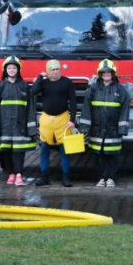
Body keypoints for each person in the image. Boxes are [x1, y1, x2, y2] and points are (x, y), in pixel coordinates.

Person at [79, 59, 130, 188]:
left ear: (113, 73)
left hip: (113, 129)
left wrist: (122, 128)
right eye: (104, 72)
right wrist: (84, 127)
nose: (106, 74)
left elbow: (125, 109)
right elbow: (86, 108)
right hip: (96, 129)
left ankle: (111, 178)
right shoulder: (93, 89)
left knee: (113, 155)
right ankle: (101, 178)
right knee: (99, 156)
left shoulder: (120, 89)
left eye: (109, 72)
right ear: (100, 74)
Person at [32, 59, 77, 187]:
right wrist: (40, 77)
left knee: (65, 149)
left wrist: (72, 120)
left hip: (63, 119)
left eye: (57, 69)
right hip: (46, 119)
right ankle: (44, 176)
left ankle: (66, 177)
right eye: (52, 69)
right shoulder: (43, 82)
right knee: (44, 148)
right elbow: (33, 91)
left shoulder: (67, 82)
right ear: (48, 71)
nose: (55, 71)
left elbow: (73, 102)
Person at [0, 56, 37, 186]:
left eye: (14, 68)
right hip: (5, 125)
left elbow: (30, 108)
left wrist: (31, 128)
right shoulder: (0, 87)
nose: (12, 70)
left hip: (20, 126)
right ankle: (11, 174)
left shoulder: (24, 86)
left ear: (18, 70)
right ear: (5, 70)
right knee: (6, 151)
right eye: (9, 68)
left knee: (19, 151)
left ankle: (19, 174)